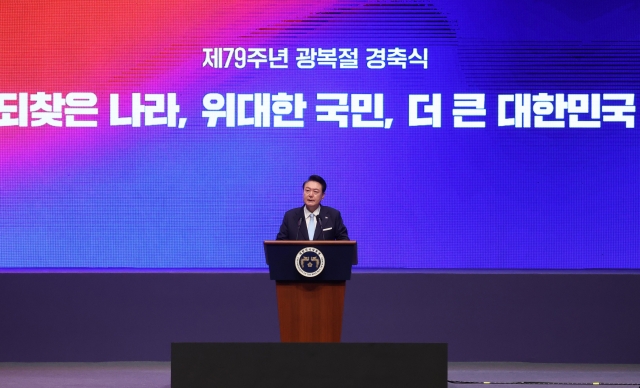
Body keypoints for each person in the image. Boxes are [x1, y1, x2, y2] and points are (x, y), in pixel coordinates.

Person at [276, 175, 349, 240]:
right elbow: (280, 244)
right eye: (307, 190)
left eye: (315, 191)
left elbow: (344, 242)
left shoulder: (333, 215)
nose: (310, 195)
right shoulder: (290, 216)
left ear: (323, 195)